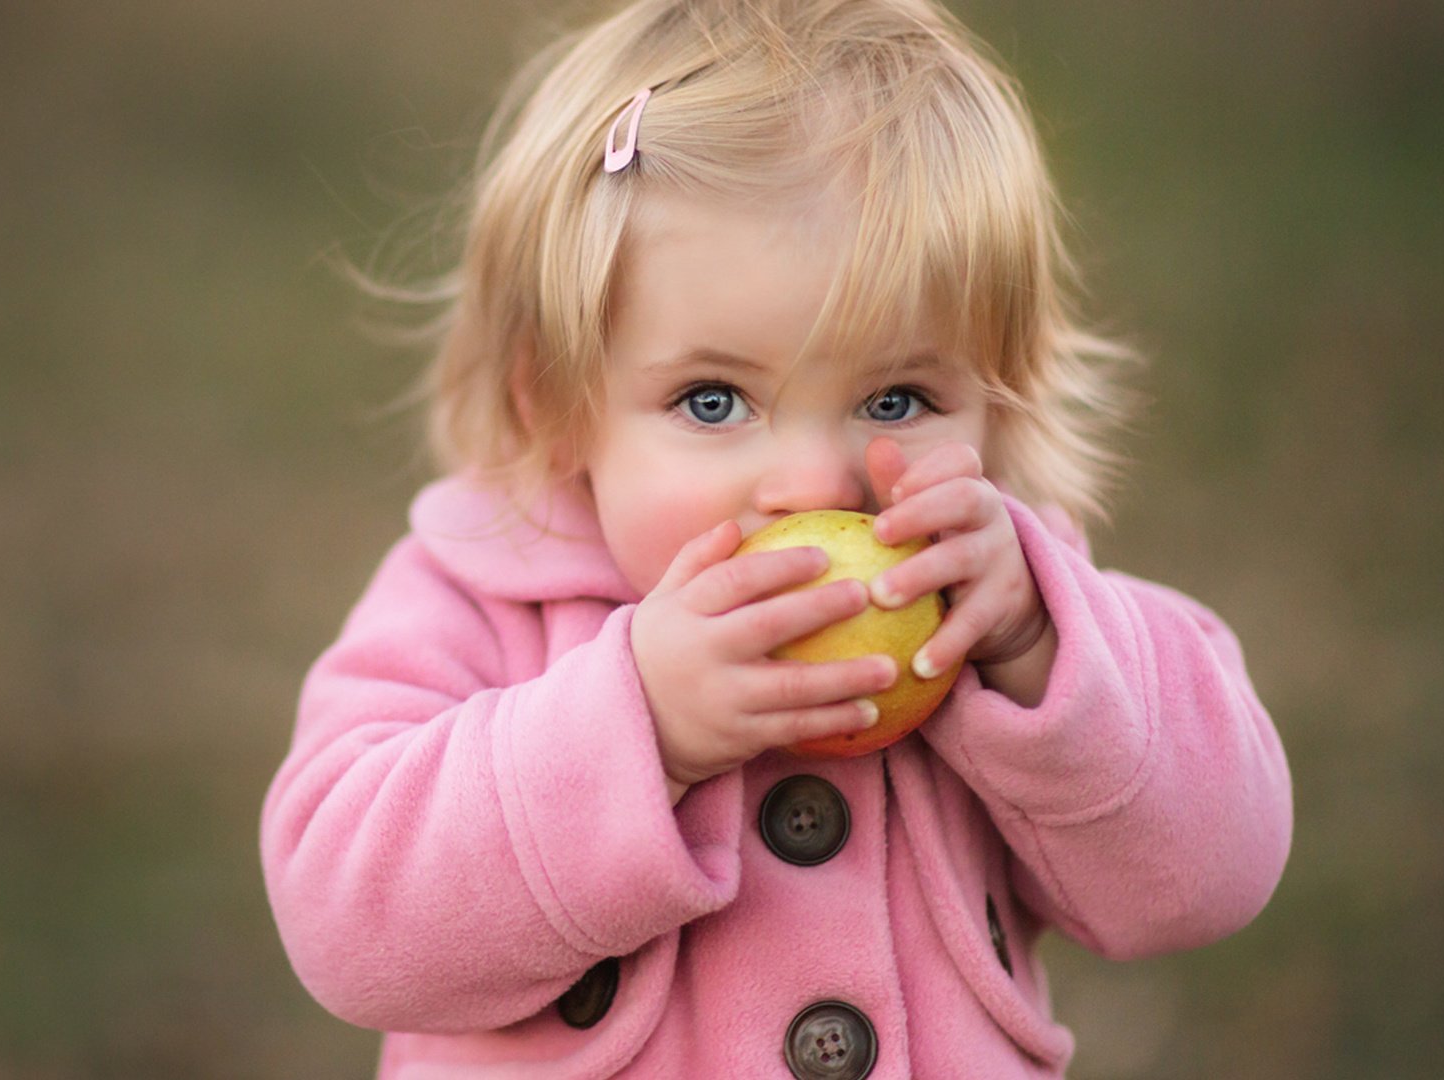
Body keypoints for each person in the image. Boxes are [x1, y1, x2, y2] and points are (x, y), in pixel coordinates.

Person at [261, 0, 1293, 1076]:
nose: (812, 485)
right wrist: (638, 728)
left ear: (999, 405)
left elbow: (1214, 875)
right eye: (713, 401)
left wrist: (1042, 649)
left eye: (897, 399)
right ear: (555, 406)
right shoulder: (476, 601)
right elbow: (345, 927)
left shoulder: (1007, 615)